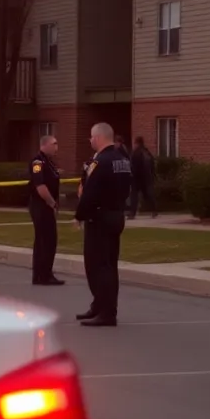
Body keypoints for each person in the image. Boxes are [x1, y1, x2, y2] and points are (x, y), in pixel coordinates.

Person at [74, 123, 133, 327]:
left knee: (98, 266)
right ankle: (100, 306)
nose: (90, 141)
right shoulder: (123, 160)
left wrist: (79, 214)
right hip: (116, 215)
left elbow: (90, 192)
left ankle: (107, 312)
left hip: (99, 218)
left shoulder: (101, 161)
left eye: (91, 137)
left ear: (98, 137)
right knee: (109, 264)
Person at [28, 135, 65, 286]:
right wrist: (51, 203)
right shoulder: (38, 162)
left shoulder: (49, 162)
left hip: (46, 206)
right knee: (46, 241)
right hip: (41, 206)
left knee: (47, 241)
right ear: (45, 145)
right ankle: (42, 275)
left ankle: (43, 274)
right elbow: (40, 186)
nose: (57, 147)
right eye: (54, 144)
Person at [128, 135, 157, 219]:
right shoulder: (147, 152)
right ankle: (154, 210)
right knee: (148, 194)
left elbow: (133, 166)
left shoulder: (135, 153)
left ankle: (132, 213)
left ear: (137, 143)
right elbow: (152, 165)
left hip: (137, 178)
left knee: (134, 195)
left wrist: (131, 175)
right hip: (147, 177)